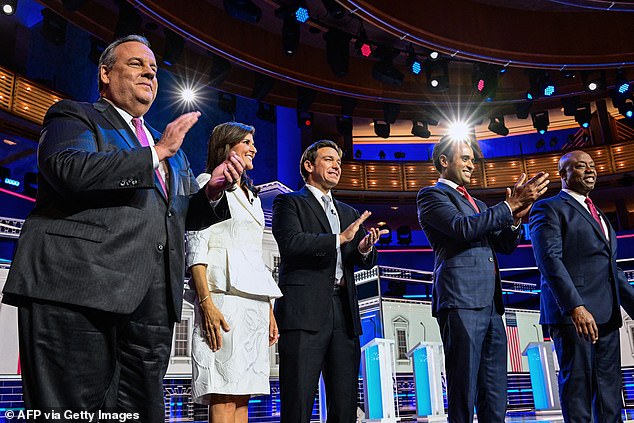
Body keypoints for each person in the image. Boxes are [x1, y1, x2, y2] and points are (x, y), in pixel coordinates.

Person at [1, 35, 245, 420]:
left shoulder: (171, 151)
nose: (149, 71)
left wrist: (212, 191)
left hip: (150, 307)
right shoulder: (74, 116)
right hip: (77, 292)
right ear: (104, 73)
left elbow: (177, 215)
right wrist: (155, 154)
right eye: (136, 64)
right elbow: (68, 170)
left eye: (153, 68)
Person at [416, 135, 549, 423]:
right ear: (443, 161)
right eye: (465, 158)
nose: (471, 165)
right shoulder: (431, 195)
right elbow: (461, 228)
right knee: (463, 389)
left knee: (494, 390)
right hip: (460, 300)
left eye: (472, 160)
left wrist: (515, 219)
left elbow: (503, 245)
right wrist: (508, 206)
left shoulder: (476, 202)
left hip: (490, 305)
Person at [272, 140, 386, 423]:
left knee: (345, 403)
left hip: (344, 311)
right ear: (309, 166)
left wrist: (364, 248)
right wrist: (340, 239)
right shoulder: (289, 202)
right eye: (329, 159)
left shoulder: (348, 213)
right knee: (298, 401)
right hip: (304, 312)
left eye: (339, 161)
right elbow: (291, 244)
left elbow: (360, 260)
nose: (337, 165)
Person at [185, 122, 282, 422]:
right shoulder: (208, 182)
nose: (254, 148)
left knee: (243, 396)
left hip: (253, 306)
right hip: (222, 300)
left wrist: (269, 311)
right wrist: (206, 304)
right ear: (227, 147)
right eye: (247, 142)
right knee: (224, 394)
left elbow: (254, 256)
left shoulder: (252, 196)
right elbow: (196, 245)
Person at [529, 150, 634, 422]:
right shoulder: (548, 208)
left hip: (607, 318)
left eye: (592, 165)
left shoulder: (599, 213)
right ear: (563, 174)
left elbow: (612, 269)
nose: (590, 170)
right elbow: (549, 260)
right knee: (578, 394)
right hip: (575, 319)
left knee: (609, 395)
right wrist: (576, 307)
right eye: (580, 166)